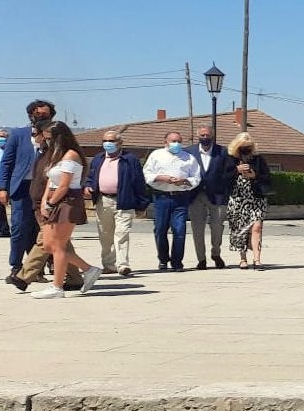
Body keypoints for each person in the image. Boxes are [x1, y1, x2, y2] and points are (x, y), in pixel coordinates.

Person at [29, 121, 103, 299]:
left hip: (67, 201)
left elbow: (64, 184)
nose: (46, 141)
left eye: (49, 138)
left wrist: (52, 203)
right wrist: (45, 202)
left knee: (59, 245)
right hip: (53, 200)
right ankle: (89, 269)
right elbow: (50, 182)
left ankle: (57, 287)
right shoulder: (55, 155)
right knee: (48, 244)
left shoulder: (71, 156)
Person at [0, 100, 56, 282]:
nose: (42, 118)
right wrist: (3, 187)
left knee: (44, 230)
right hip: (22, 188)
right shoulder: (18, 135)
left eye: (46, 115)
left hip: (45, 189)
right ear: (30, 116)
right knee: (20, 228)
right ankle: (16, 266)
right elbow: (6, 162)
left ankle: (39, 267)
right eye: (38, 115)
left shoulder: (55, 135)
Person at [85, 129, 149, 277]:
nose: (108, 144)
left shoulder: (130, 159)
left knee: (121, 234)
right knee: (105, 235)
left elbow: (139, 182)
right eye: (105, 141)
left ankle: (122, 265)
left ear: (120, 143)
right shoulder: (98, 159)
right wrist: (88, 186)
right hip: (103, 200)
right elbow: (90, 177)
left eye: (111, 141)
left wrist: (141, 204)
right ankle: (108, 264)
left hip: (124, 200)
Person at [142, 129, 201, 271]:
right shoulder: (156, 155)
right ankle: (163, 259)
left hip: (180, 198)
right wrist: (162, 178)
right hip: (161, 197)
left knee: (179, 230)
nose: (176, 144)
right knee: (160, 229)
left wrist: (185, 181)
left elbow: (196, 178)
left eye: (179, 141)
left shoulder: (188, 157)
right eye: (173, 141)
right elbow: (147, 173)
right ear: (165, 142)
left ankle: (177, 262)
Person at [223, 132, 272, 270]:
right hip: (238, 199)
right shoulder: (230, 159)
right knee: (240, 229)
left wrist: (254, 175)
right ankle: (243, 258)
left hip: (256, 199)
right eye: (243, 146)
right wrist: (236, 170)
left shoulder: (258, 159)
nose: (246, 149)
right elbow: (222, 178)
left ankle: (257, 259)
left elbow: (267, 177)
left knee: (257, 227)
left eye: (249, 146)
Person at [189, 122, 229, 269]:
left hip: (217, 196)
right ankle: (201, 259)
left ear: (212, 136)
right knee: (197, 228)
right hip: (196, 195)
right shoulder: (189, 152)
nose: (205, 137)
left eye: (208, 135)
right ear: (198, 136)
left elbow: (228, 172)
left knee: (217, 227)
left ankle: (216, 253)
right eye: (202, 135)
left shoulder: (223, 151)